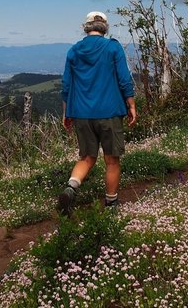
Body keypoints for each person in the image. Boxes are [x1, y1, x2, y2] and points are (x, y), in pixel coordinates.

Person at [58, 11, 137, 216]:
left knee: (86, 157)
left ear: (86, 27)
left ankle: (71, 188)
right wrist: (131, 104)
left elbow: (66, 84)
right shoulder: (112, 47)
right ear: (105, 27)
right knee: (111, 160)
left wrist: (66, 113)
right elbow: (123, 78)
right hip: (110, 111)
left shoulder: (74, 51)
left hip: (82, 114)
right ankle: (111, 205)